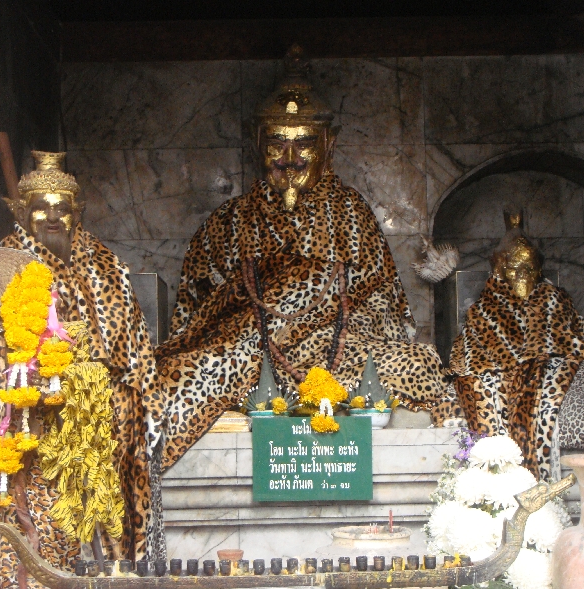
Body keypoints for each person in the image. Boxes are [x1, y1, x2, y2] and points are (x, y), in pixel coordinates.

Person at [156, 46, 450, 468]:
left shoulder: (351, 212)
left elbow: (388, 305)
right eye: (277, 142)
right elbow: (194, 321)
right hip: (251, 356)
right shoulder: (229, 221)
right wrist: (264, 319)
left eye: (304, 145)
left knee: (412, 363)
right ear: (257, 143)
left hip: (340, 354)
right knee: (182, 377)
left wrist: (335, 317)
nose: (290, 159)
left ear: (329, 145)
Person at [0, 152, 165, 589]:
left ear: (77, 211)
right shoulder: (1, 265)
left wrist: (109, 397)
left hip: (99, 441)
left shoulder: (109, 268)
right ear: (21, 211)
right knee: (26, 558)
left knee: (98, 562)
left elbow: (137, 358)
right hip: (29, 441)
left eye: (62, 207)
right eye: (40, 207)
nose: (52, 217)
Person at [450, 212, 584, 480]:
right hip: (506, 373)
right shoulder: (482, 309)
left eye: (529, 267)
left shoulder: (554, 299)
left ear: (539, 269)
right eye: (515, 267)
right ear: (501, 268)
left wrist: (554, 356)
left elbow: (575, 336)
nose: (522, 275)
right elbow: (472, 352)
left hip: (559, 367)